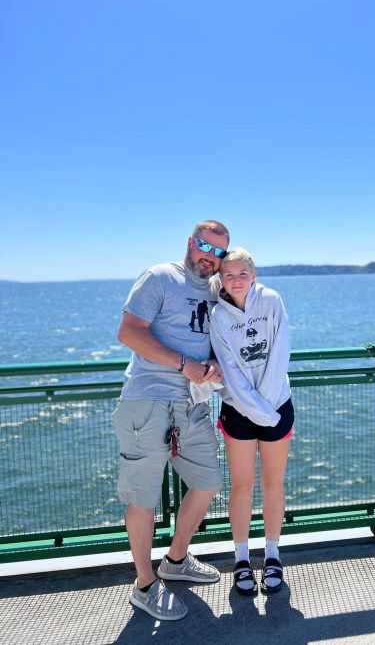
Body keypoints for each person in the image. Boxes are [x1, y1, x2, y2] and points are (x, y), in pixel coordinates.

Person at [112, 219, 230, 621]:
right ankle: (144, 585)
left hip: (192, 404)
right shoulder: (160, 277)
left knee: (208, 482)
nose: (209, 257)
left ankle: (175, 561)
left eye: (218, 252)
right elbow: (129, 333)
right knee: (143, 498)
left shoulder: (216, 290)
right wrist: (183, 364)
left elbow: (214, 341)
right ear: (190, 243)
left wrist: (212, 363)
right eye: (204, 246)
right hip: (148, 401)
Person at [209, 248, 294, 595]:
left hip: (276, 404)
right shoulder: (218, 315)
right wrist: (258, 410)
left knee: (274, 484)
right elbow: (229, 369)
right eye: (228, 275)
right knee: (242, 487)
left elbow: (281, 351)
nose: (236, 280)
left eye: (242, 274)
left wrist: (267, 407)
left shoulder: (271, 300)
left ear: (254, 275)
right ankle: (242, 559)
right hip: (239, 411)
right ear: (221, 280)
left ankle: (272, 555)